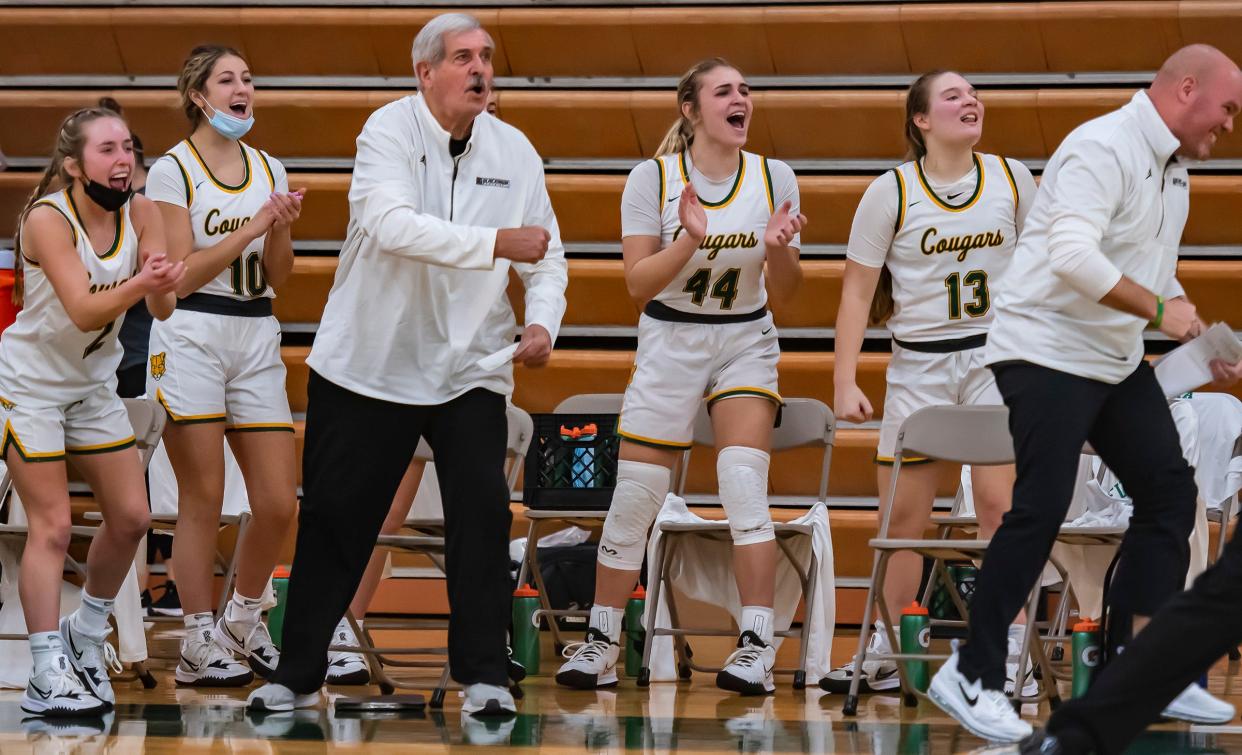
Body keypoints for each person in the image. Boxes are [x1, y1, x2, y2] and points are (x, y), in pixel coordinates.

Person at [245, 12, 566, 715]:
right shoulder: (387, 131)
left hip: (471, 365)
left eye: (486, 56)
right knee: (334, 517)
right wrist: (495, 243)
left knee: (482, 512)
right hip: (370, 364)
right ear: (425, 73)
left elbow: (547, 252)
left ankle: (485, 674)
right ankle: (298, 674)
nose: (481, 68)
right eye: (462, 57)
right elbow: (391, 227)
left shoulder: (516, 151)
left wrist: (544, 318)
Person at [926, 44, 1242, 743]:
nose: (1227, 127)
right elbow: (1072, 257)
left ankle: (1138, 666)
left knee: (1169, 495)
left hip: (1111, 357)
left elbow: (1151, 274)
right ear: (1186, 90)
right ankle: (972, 672)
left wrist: (1197, 337)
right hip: (1043, 350)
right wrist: (1163, 316)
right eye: (1225, 110)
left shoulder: (1173, 174)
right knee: (1038, 505)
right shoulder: (1101, 146)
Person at [555, 57, 805, 696]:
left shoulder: (775, 177)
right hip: (670, 337)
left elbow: (792, 295)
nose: (741, 98)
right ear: (692, 111)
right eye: (724, 91)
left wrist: (778, 251)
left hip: (745, 337)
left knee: (742, 482)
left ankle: (755, 646)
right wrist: (689, 239)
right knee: (636, 492)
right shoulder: (652, 178)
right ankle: (603, 640)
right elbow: (638, 286)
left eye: (746, 90)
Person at [824, 70, 1037, 698]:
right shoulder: (889, 192)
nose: (970, 100)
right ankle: (890, 650)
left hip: (996, 361)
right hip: (917, 366)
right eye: (953, 95)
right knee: (904, 519)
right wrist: (843, 379)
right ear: (921, 120)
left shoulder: (1012, 178)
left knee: (1000, 509)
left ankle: (1010, 651)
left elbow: (1050, 265)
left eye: (974, 93)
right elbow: (857, 291)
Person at [0, 106, 183, 715]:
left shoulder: (144, 210)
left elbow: (161, 311)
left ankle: (85, 631)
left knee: (133, 517)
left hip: (91, 385)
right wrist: (141, 283)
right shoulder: (47, 218)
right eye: (107, 149)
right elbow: (82, 308)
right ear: (75, 165)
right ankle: (45, 669)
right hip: (30, 386)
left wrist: (162, 280)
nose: (123, 157)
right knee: (50, 525)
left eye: (127, 145)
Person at [144, 44, 303, 687]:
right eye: (228, 79)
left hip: (256, 327)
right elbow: (179, 277)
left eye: (249, 79)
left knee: (277, 502)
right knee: (203, 495)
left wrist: (282, 227)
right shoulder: (171, 171)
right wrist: (253, 225)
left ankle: (243, 618)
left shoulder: (268, 165)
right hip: (191, 333)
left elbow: (279, 275)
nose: (244, 89)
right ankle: (196, 639)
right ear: (199, 95)